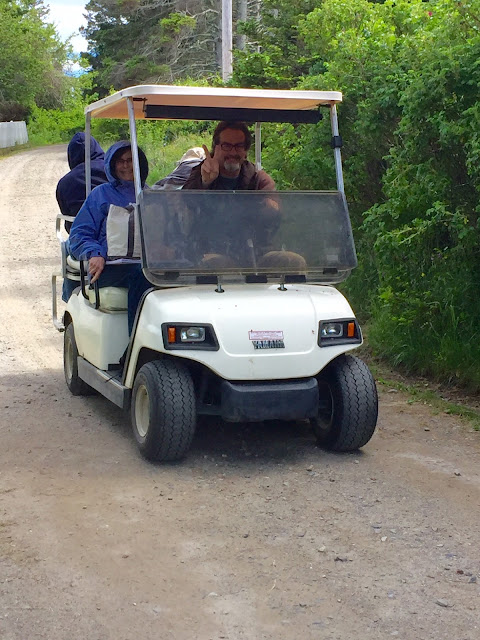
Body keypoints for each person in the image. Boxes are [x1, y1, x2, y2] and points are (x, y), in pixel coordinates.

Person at [69, 140, 151, 334]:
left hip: (146, 265)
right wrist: (94, 253)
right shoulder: (100, 195)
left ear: (139, 162)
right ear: (112, 165)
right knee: (142, 276)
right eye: (120, 161)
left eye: (130, 160)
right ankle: (135, 341)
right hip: (110, 267)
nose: (126, 165)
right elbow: (79, 233)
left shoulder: (149, 194)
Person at [182, 121, 275, 190]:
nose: (233, 152)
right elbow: (182, 204)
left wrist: (266, 203)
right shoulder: (200, 173)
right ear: (215, 147)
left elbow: (274, 207)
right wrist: (204, 183)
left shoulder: (258, 180)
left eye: (239, 146)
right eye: (227, 146)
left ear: (246, 150)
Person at [56, 132, 107, 232]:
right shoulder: (113, 170)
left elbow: (67, 216)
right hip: (117, 230)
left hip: (82, 233)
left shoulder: (64, 183)